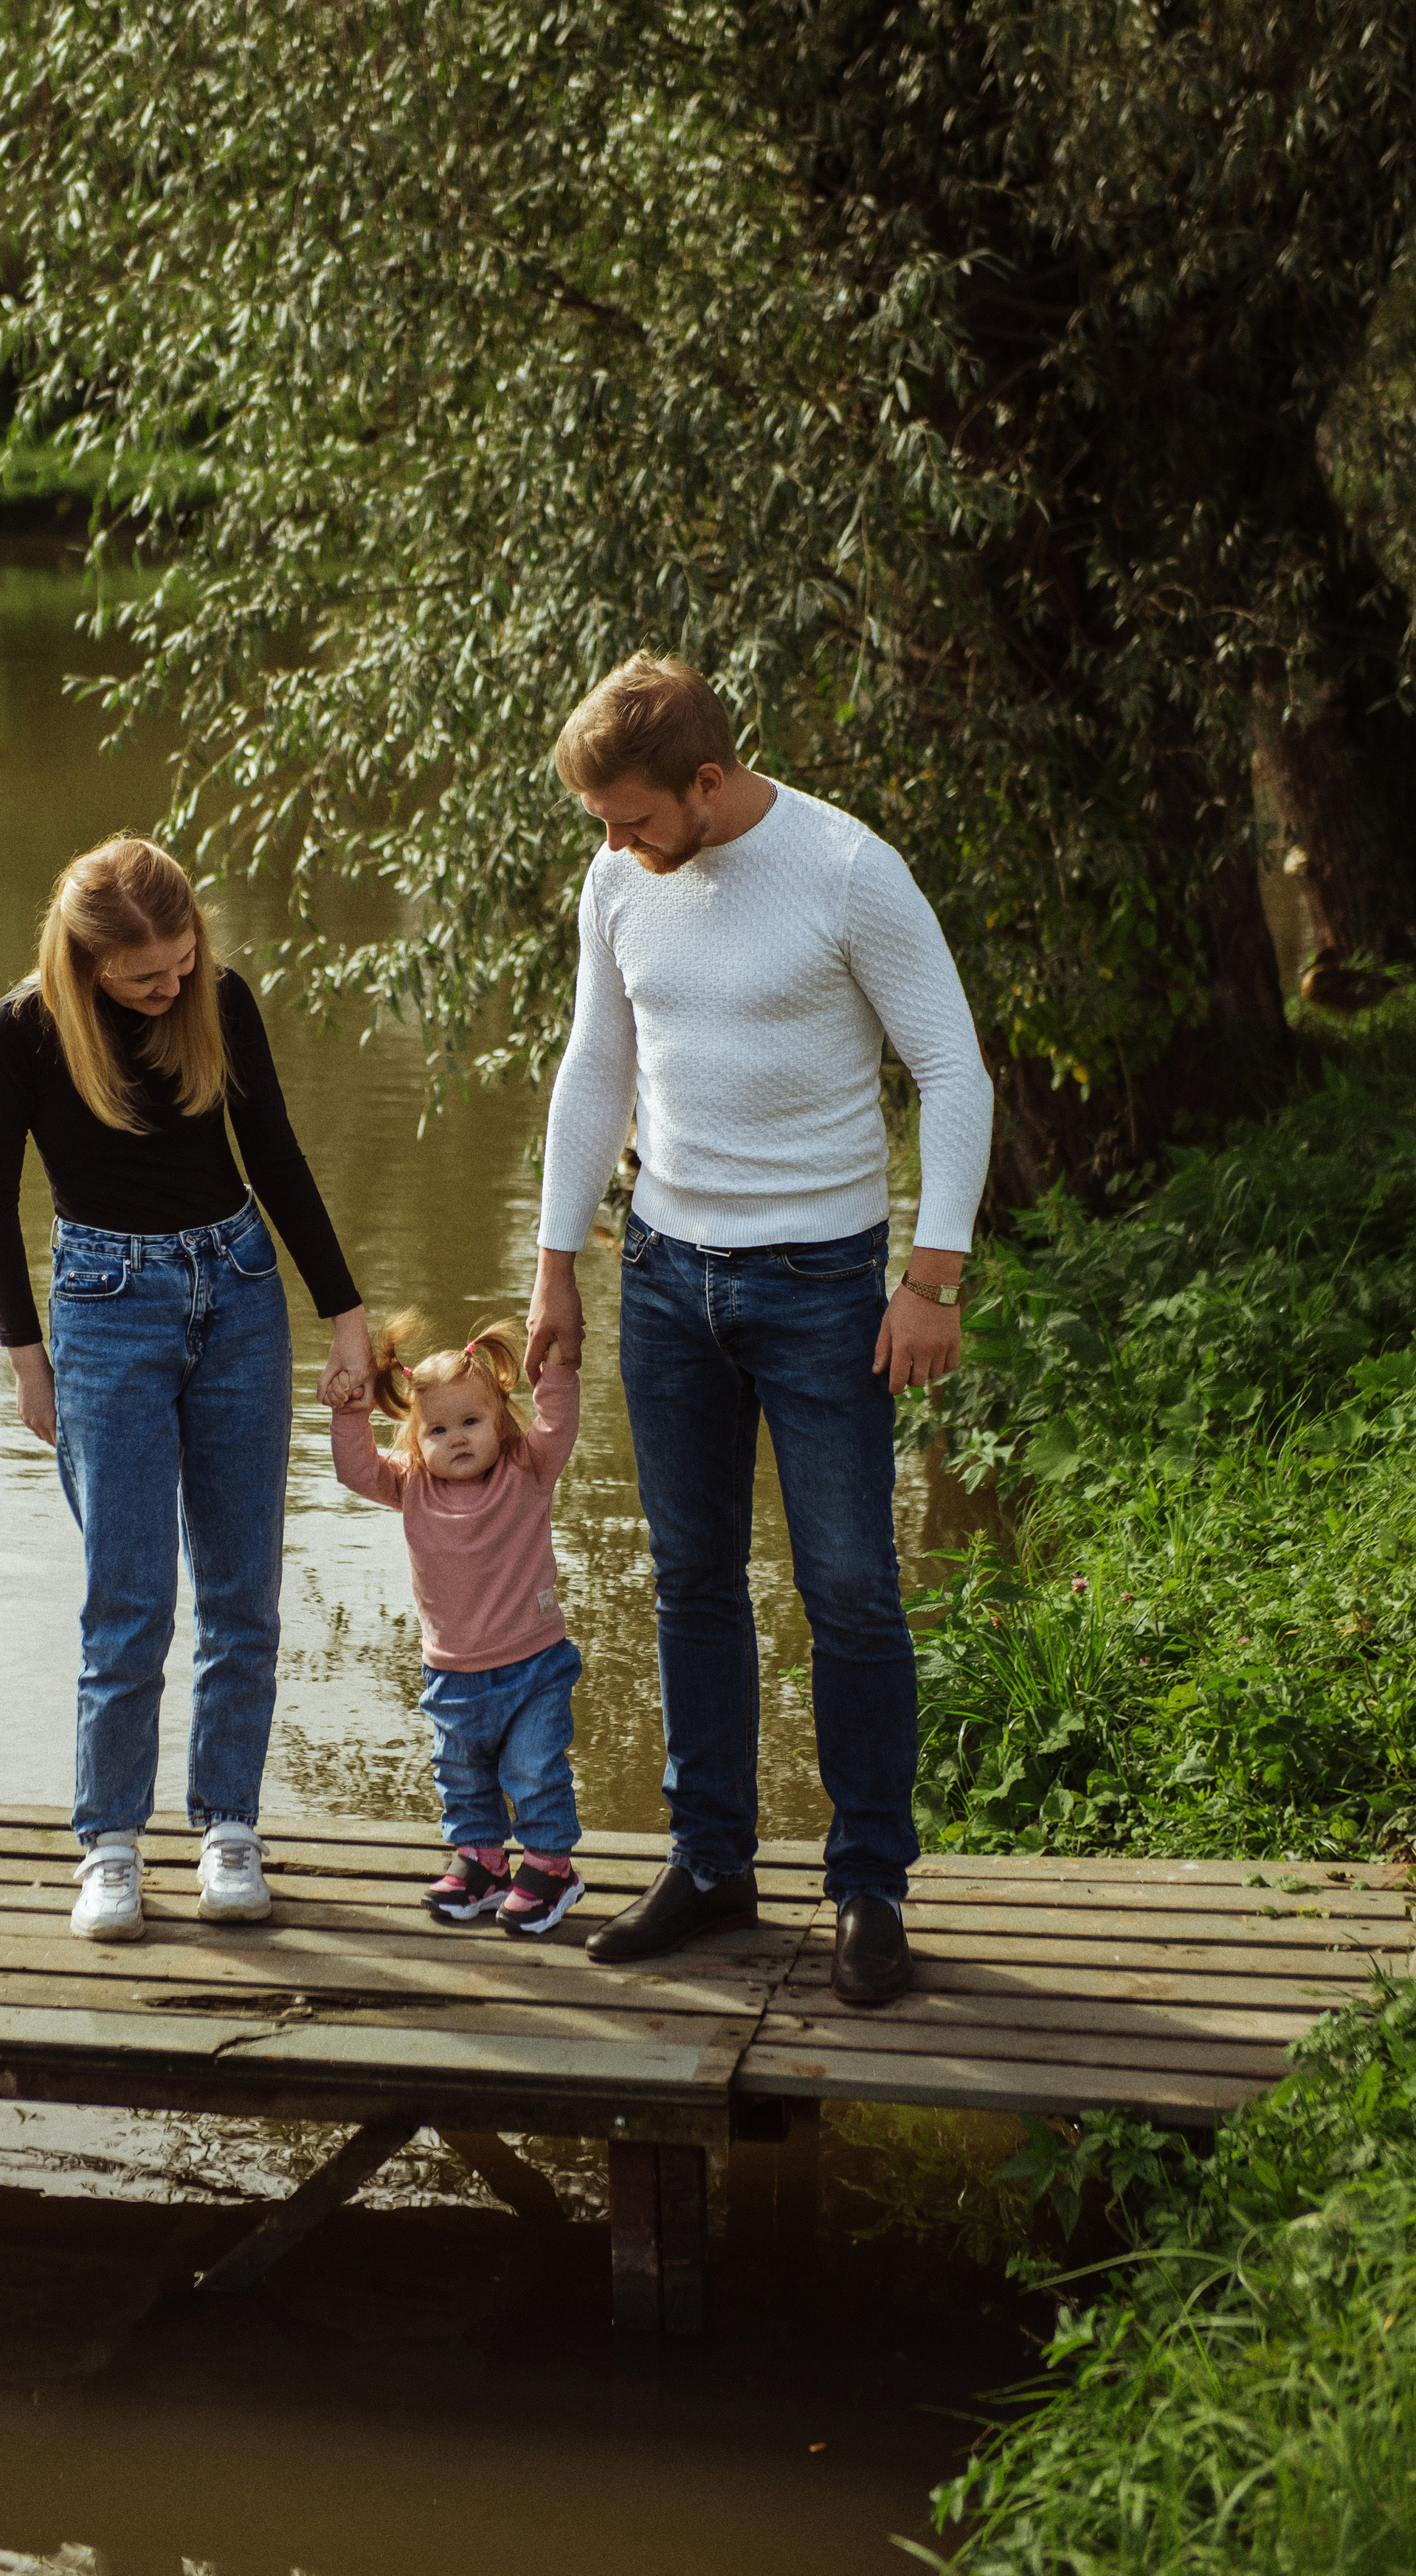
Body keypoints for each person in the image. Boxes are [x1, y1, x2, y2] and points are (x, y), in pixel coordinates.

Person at [525, 654, 992, 2001]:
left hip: (823, 1286)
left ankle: (869, 1885)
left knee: (849, 1588)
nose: (615, 843)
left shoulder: (847, 869)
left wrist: (933, 1279)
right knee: (691, 1579)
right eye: (601, 822)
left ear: (709, 781)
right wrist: (555, 1268)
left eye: (633, 817)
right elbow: (594, 1066)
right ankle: (711, 1860)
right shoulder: (618, 879)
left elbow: (953, 1068)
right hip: (666, 1277)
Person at [0, 834, 374, 1942]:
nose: (171, 984)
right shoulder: (20, 1033)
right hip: (105, 1312)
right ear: (86, 961)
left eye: (183, 958)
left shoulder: (220, 999)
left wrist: (344, 1311)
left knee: (242, 1593)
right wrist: (27, 1358)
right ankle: (109, 1845)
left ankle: (228, 1827)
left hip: (238, 1293)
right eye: (144, 974)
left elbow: (275, 1153)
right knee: (129, 1599)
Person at [327, 1314, 585, 1939]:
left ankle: (551, 1867)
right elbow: (356, 1470)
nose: (458, 1438)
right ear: (418, 1441)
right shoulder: (412, 1483)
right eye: (438, 1430)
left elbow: (557, 1422)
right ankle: (482, 1861)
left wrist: (557, 1368)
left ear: (501, 1421)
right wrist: (351, 1413)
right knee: (461, 1773)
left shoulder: (527, 1469)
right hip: (451, 1673)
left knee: (533, 1769)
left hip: (534, 1664)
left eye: (471, 1421)